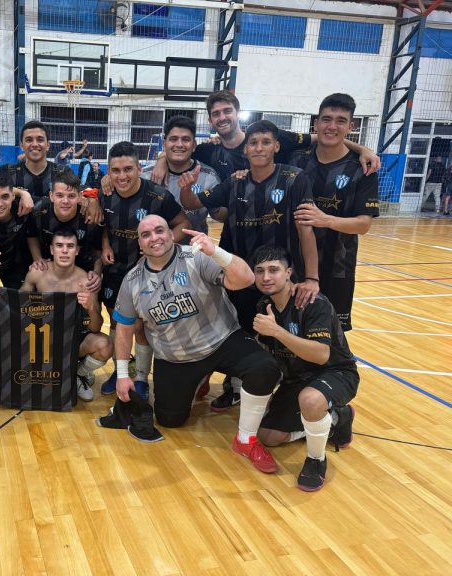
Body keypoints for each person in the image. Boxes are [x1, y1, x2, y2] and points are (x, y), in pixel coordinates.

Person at [113, 216, 282, 473]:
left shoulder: (197, 257)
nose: (154, 238)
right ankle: (198, 378)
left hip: (223, 340)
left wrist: (217, 252)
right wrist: (123, 375)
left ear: (172, 234)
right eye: (146, 235)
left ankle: (246, 439)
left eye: (160, 231)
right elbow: (124, 330)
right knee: (170, 420)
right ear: (140, 244)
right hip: (176, 358)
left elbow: (246, 279)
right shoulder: (132, 281)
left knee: (266, 369)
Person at [179, 120, 319, 412]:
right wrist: (187, 188)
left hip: (279, 276)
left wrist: (312, 278)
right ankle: (234, 387)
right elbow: (192, 203)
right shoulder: (235, 181)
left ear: (276, 146)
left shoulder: (295, 179)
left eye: (266, 142)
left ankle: (292, 395)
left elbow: (306, 230)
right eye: (253, 143)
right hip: (242, 274)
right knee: (239, 329)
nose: (259, 148)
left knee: (282, 334)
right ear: (245, 149)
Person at [252, 245, 358, 492]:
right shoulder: (263, 305)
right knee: (268, 437)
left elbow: (321, 355)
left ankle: (316, 460)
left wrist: (277, 331)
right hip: (297, 378)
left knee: (310, 400)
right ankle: (337, 418)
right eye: (259, 271)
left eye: (273, 270)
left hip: (336, 372)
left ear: (288, 272)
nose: (266, 277)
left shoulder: (313, 302)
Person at [99, 141, 189, 400]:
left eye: (128, 169)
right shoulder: (104, 194)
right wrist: (105, 244)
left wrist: (159, 247)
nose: (122, 176)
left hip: (150, 272)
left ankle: (140, 378)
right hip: (116, 269)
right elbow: (103, 224)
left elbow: (183, 223)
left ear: (140, 168)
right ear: (108, 172)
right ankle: (120, 372)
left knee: (140, 325)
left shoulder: (158, 196)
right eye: (115, 171)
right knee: (118, 321)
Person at [150, 90, 380, 183]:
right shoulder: (208, 150)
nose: (222, 117)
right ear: (210, 120)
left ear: (237, 113)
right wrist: (161, 160)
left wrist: (362, 149)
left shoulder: (271, 136)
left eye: (227, 111)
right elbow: (179, 152)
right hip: (237, 226)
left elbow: (321, 136)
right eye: (216, 114)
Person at [291, 93, 380, 331]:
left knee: (330, 336)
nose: (332, 126)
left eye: (341, 121)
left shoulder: (362, 168)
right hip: (294, 265)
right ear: (316, 123)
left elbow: (363, 225)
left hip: (337, 267)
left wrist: (325, 219)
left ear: (351, 127)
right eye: (326, 119)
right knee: (292, 330)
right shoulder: (296, 160)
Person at [21, 226, 112, 401]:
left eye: (70, 246)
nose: (64, 251)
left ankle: (76, 374)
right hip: (41, 340)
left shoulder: (86, 281)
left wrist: (90, 307)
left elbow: (96, 327)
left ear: (77, 251)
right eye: (59, 245)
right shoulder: (37, 273)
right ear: (51, 249)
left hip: (72, 341)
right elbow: (17, 306)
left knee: (104, 344)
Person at [141, 115, 221, 235]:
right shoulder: (145, 176)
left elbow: (219, 214)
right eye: (173, 139)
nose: (179, 144)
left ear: (194, 145)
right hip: (154, 246)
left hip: (194, 246)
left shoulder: (209, 177)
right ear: (164, 144)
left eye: (185, 139)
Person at [26, 169, 102, 291]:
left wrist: (97, 272)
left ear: (79, 196)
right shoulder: (38, 211)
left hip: (83, 270)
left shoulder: (89, 215)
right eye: (59, 195)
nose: (65, 201)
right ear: (51, 196)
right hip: (47, 269)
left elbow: (97, 251)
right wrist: (37, 258)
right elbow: (31, 234)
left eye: (71, 196)